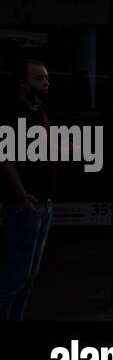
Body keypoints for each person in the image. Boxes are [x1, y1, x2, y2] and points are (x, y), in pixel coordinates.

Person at [0, 60, 56, 320]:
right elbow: (6, 160)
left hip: (43, 202)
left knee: (29, 276)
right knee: (15, 275)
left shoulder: (39, 112)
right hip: (23, 205)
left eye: (45, 78)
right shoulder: (12, 114)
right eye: (38, 78)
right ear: (22, 83)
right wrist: (21, 195)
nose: (45, 82)